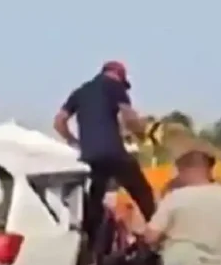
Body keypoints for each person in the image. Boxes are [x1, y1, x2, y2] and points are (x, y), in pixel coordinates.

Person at [53, 61, 155, 248]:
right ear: (119, 76)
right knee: (142, 191)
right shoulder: (115, 86)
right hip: (113, 153)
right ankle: (157, 233)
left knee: (94, 200)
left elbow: (59, 121)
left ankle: (90, 245)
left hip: (90, 156)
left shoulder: (80, 91)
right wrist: (141, 134)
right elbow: (129, 117)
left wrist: (74, 141)